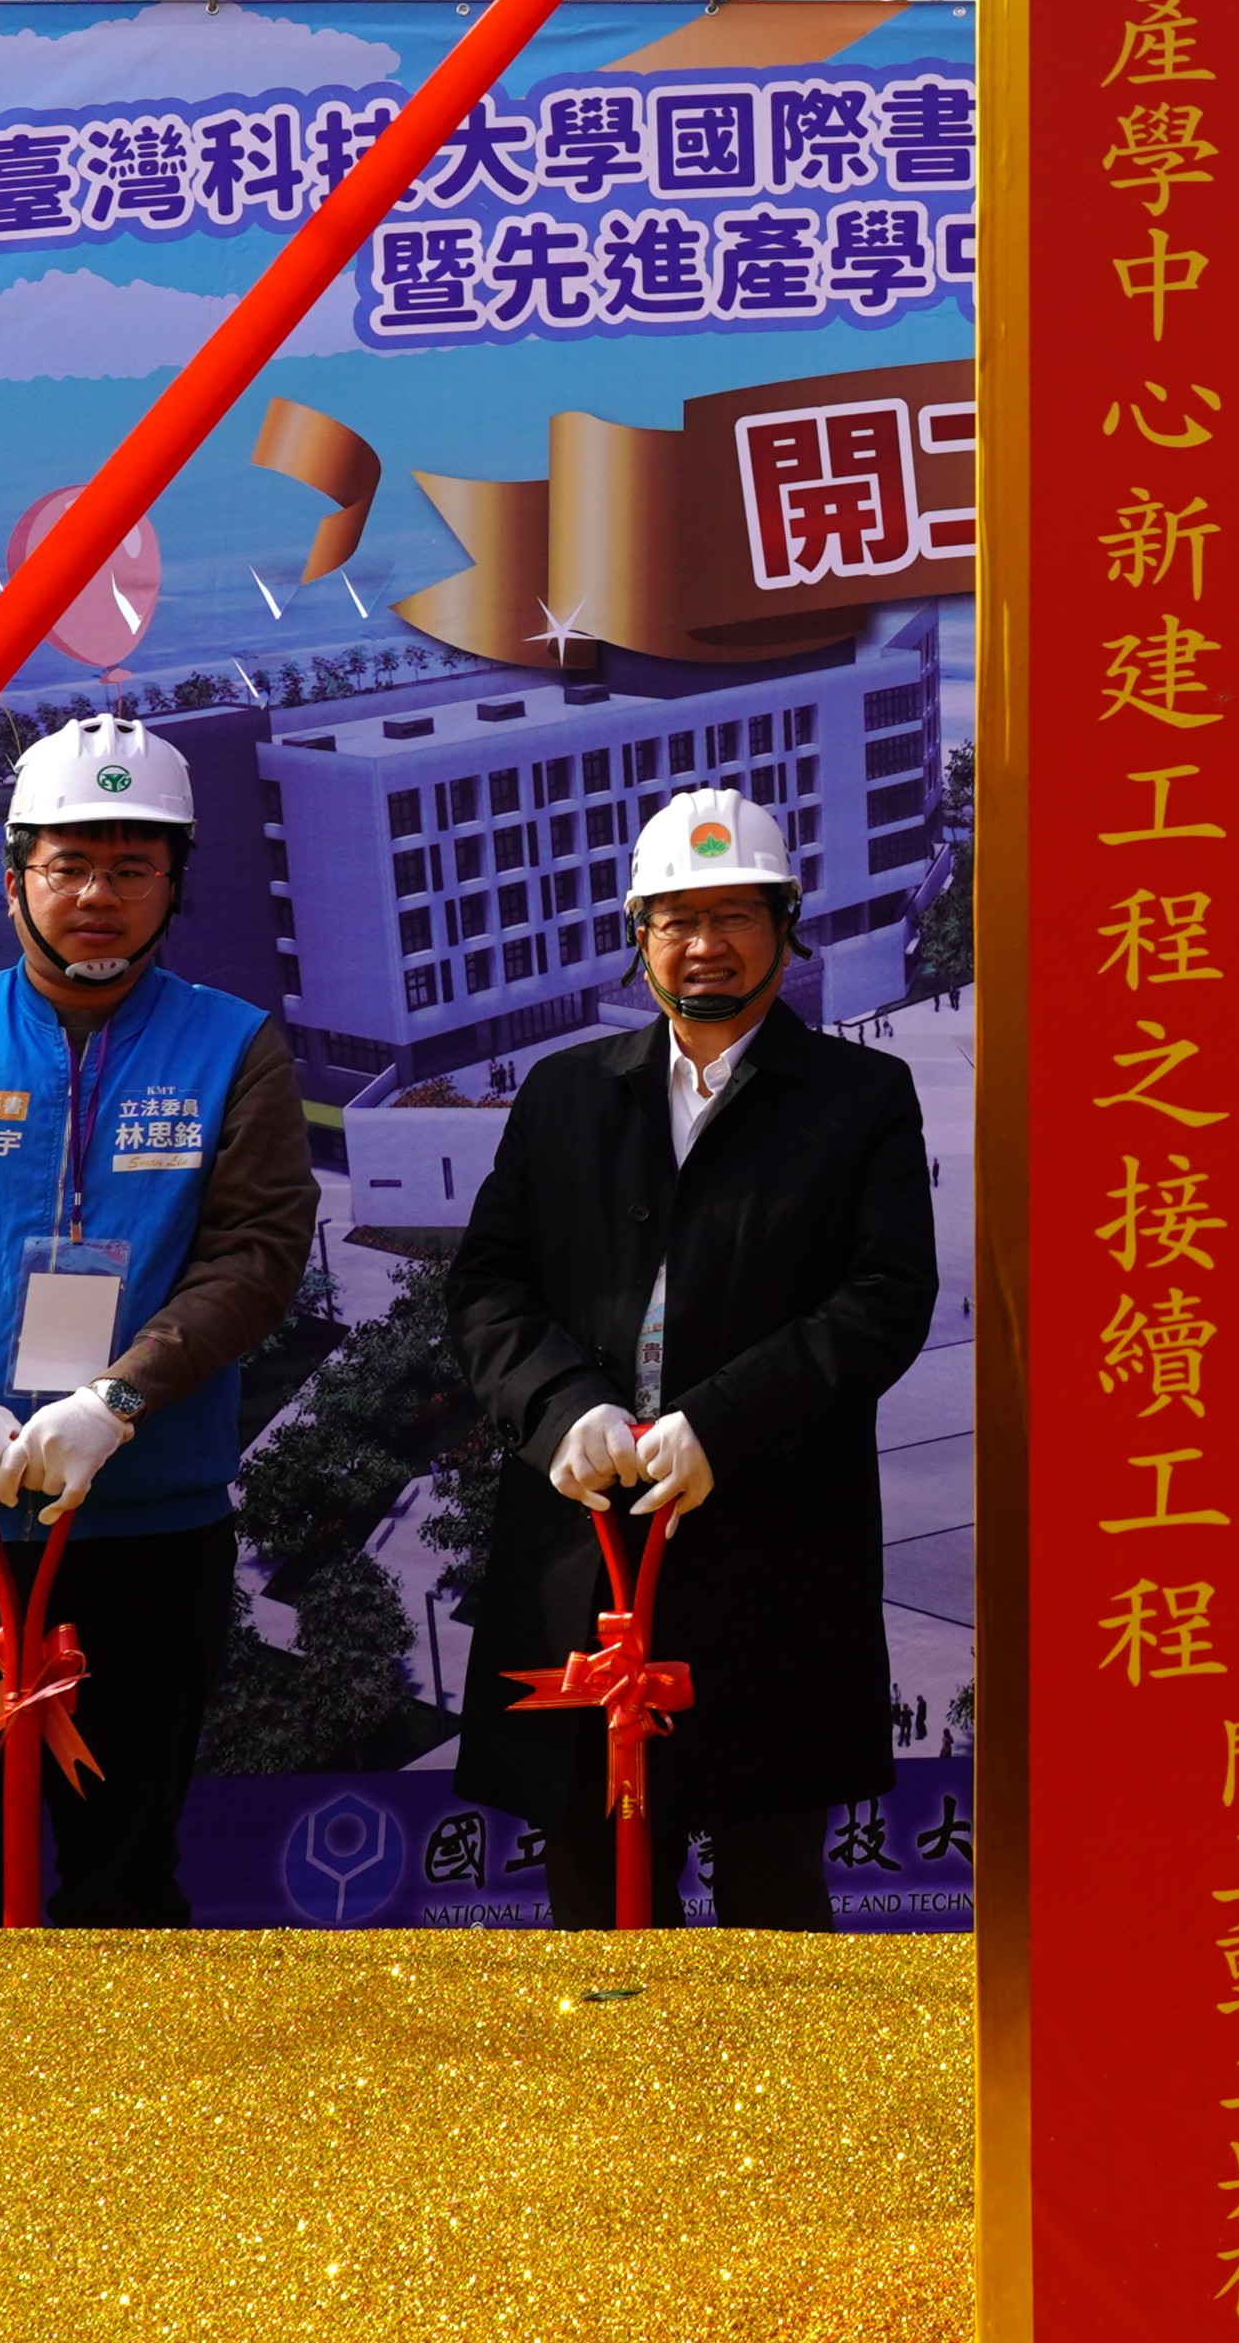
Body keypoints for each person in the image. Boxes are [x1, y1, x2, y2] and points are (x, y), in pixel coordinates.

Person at [0, 714, 314, 1925]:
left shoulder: (232, 1044)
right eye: (67, 863)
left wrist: (117, 1400)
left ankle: (113, 2061)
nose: (97, 895)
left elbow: (255, 1253)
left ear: (174, 883)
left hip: (146, 1532)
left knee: (125, 1875)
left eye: (132, 866)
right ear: (14, 875)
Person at [448, 782, 938, 1930]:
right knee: (597, 1887)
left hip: (771, 1546)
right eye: (676, 917)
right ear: (638, 934)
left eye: (734, 915)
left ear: (785, 926)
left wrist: (721, 1421)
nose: (704, 943)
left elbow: (882, 1298)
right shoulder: (566, 1093)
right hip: (584, 1551)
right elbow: (485, 1287)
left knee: (772, 1888)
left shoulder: (860, 1096)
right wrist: (562, 1407)